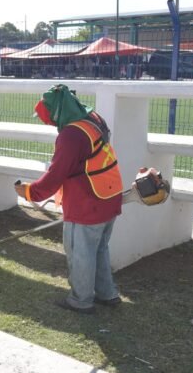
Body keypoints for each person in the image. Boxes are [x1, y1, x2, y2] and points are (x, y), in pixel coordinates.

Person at [15, 84, 123, 314]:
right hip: (109, 195)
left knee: (80, 253)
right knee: (99, 249)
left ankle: (81, 300)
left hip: (87, 203)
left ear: (56, 113)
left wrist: (29, 192)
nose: (48, 123)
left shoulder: (71, 135)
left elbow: (56, 175)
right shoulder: (93, 118)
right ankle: (107, 294)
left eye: (47, 118)